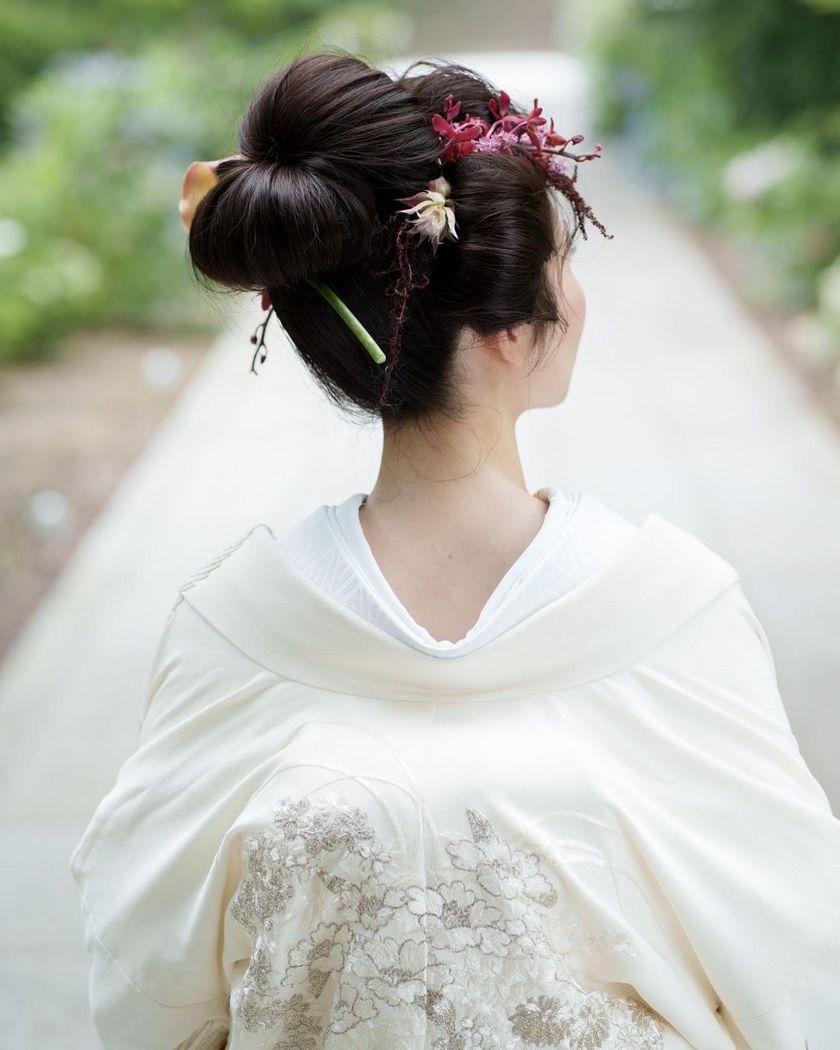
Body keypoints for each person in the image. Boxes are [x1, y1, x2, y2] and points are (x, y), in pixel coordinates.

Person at [69, 49, 840, 1050]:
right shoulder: (672, 613)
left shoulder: (235, 630)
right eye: (564, 262)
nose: (576, 293)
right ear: (510, 331)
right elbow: (794, 969)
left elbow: (152, 995)